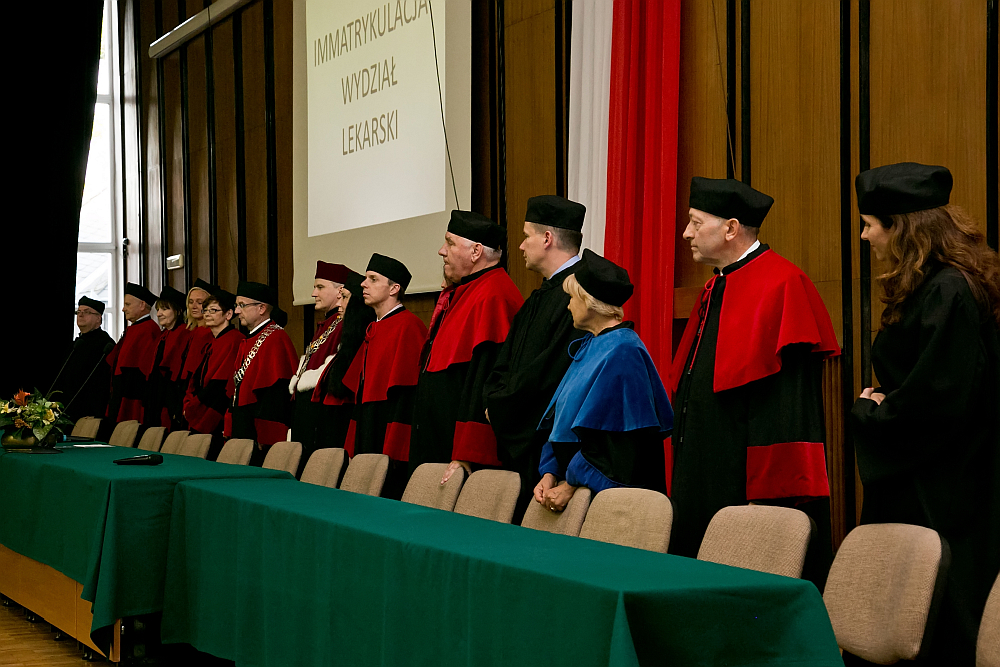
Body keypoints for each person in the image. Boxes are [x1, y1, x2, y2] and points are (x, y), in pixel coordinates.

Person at [850, 162, 1000, 666]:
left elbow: (937, 399)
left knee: (933, 620)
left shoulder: (947, 290)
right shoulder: (935, 284)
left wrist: (871, 412)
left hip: (941, 488)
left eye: (870, 225)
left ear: (903, 228)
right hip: (933, 478)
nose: (865, 236)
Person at [668, 178, 840, 582]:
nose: (686, 233)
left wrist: (768, 498)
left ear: (731, 228)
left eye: (695, 222)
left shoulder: (782, 284)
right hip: (703, 469)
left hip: (747, 484)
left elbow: (790, 406)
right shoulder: (716, 284)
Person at [534, 250, 673, 512]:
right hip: (579, 490)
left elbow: (620, 446)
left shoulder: (623, 351)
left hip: (613, 503)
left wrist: (571, 483)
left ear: (589, 302)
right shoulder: (592, 344)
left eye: (572, 298)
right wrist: (550, 473)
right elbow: (562, 420)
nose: (568, 306)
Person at [485, 195, 589, 520]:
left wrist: (501, 407)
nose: (520, 245)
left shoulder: (580, 294)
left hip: (548, 447)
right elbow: (504, 362)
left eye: (526, 235)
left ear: (546, 239)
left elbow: (552, 372)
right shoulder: (538, 297)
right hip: (520, 437)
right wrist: (494, 400)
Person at [409, 211, 523, 483]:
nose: (441, 251)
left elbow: (486, 383)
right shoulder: (468, 290)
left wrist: (466, 453)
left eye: (450, 243)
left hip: (460, 456)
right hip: (440, 440)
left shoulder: (493, 296)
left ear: (476, 252)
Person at [338, 253, 426, 498]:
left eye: (373, 279)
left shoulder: (408, 326)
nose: (363, 284)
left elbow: (406, 395)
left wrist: (395, 447)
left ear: (394, 288)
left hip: (388, 433)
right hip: (368, 426)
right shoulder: (374, 326)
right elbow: (361, 391)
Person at [289, 261, 369, 475]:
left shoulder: (345, 325)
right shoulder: (327, 324)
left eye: (320, 287)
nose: (313, 293)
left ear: (340, 290)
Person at [224, 281, 298, 466]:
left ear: (262, 308)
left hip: (259, 434)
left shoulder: (275, 338)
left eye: (242, 305)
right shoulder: (249, 338)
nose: (237, 311)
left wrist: (266, 437)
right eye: (236, 305)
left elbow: (275, 394)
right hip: (244, 425)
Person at [184, 289, 244, 460]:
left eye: (213, 310)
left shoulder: (234, 340)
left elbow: (220, 384)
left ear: (228, 314)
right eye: (206, 310)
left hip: (217, 411)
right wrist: (189, 402)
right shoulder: (212, 340)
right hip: (201, 403)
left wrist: (195, 406)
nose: (207, 314)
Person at [102, 282, 162, 436]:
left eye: (128, 304)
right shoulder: (135, 328)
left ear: (142, 305)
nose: (123, 309)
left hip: (133, 399)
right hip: (121, 395)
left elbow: (142, 372)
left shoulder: (148, 330)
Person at [48, 296, 115, 421]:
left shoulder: (106, 345)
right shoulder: (77, 344)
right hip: (66, 409)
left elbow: (103, 384)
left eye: (87, 312)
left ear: (98, 318)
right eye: (78, 312)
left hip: (89, 412)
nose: (80, 315)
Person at [145, 286, 190, 429]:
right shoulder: (163, 335)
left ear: (178, 310)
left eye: (165, 309)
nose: (159, 314)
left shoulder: (184, 334)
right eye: (158, 309)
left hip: (171, 396)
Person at [178, 279, 217, 390]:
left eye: (199, 303)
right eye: (191, 302)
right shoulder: (191, 331)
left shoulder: (209, 333)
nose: (193, 306)